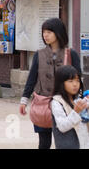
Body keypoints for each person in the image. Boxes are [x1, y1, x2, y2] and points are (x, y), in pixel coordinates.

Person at [19, 18, 81, 149]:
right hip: (43, 104)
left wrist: (81, 100)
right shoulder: (39, 54)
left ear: (58, 33)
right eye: (43, 32)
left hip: (65, 104)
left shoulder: (71, 54)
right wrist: (24, 100)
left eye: (49, 32)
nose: (45, 35)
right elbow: (32, 79)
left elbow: (78, 79)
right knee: (44, 143)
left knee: (66, 142)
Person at [51, 65, 88, 149]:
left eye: (77, 81)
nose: (75, 84)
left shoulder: (78, 99)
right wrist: (76, 112)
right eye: (70, 81)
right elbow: (62, 126)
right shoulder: (57, 102)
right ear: (61, 83)